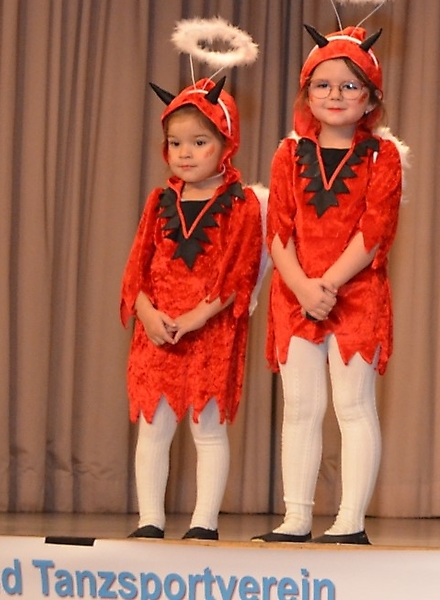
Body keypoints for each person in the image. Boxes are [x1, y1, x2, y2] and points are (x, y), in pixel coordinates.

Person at [257, 23, 404, 545]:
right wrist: (303, 287)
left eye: (349, 85)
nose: (335, 94)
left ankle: (350, 521)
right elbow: (278, 230)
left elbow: (375, 229)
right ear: (306, 94)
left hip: (357, 295)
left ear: (371, 98)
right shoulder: (288, 153)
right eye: (323, 84)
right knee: (300, 407)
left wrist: (330, 285)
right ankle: (296, 517)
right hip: (295, 294)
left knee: (353, 405)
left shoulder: (383, 156)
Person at [121, 59, 263, 540]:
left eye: (199, 142)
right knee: (154, 426)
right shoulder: (158, 200)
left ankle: (204, 522)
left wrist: (198, 316)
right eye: (175, 143)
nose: (185, 153)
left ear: (226, 143)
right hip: (157, 330)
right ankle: (149, 520)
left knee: (208, 428)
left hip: (211, 331)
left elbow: (241, 273)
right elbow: (136, 268)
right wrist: (148, 313)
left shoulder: (242, 204)